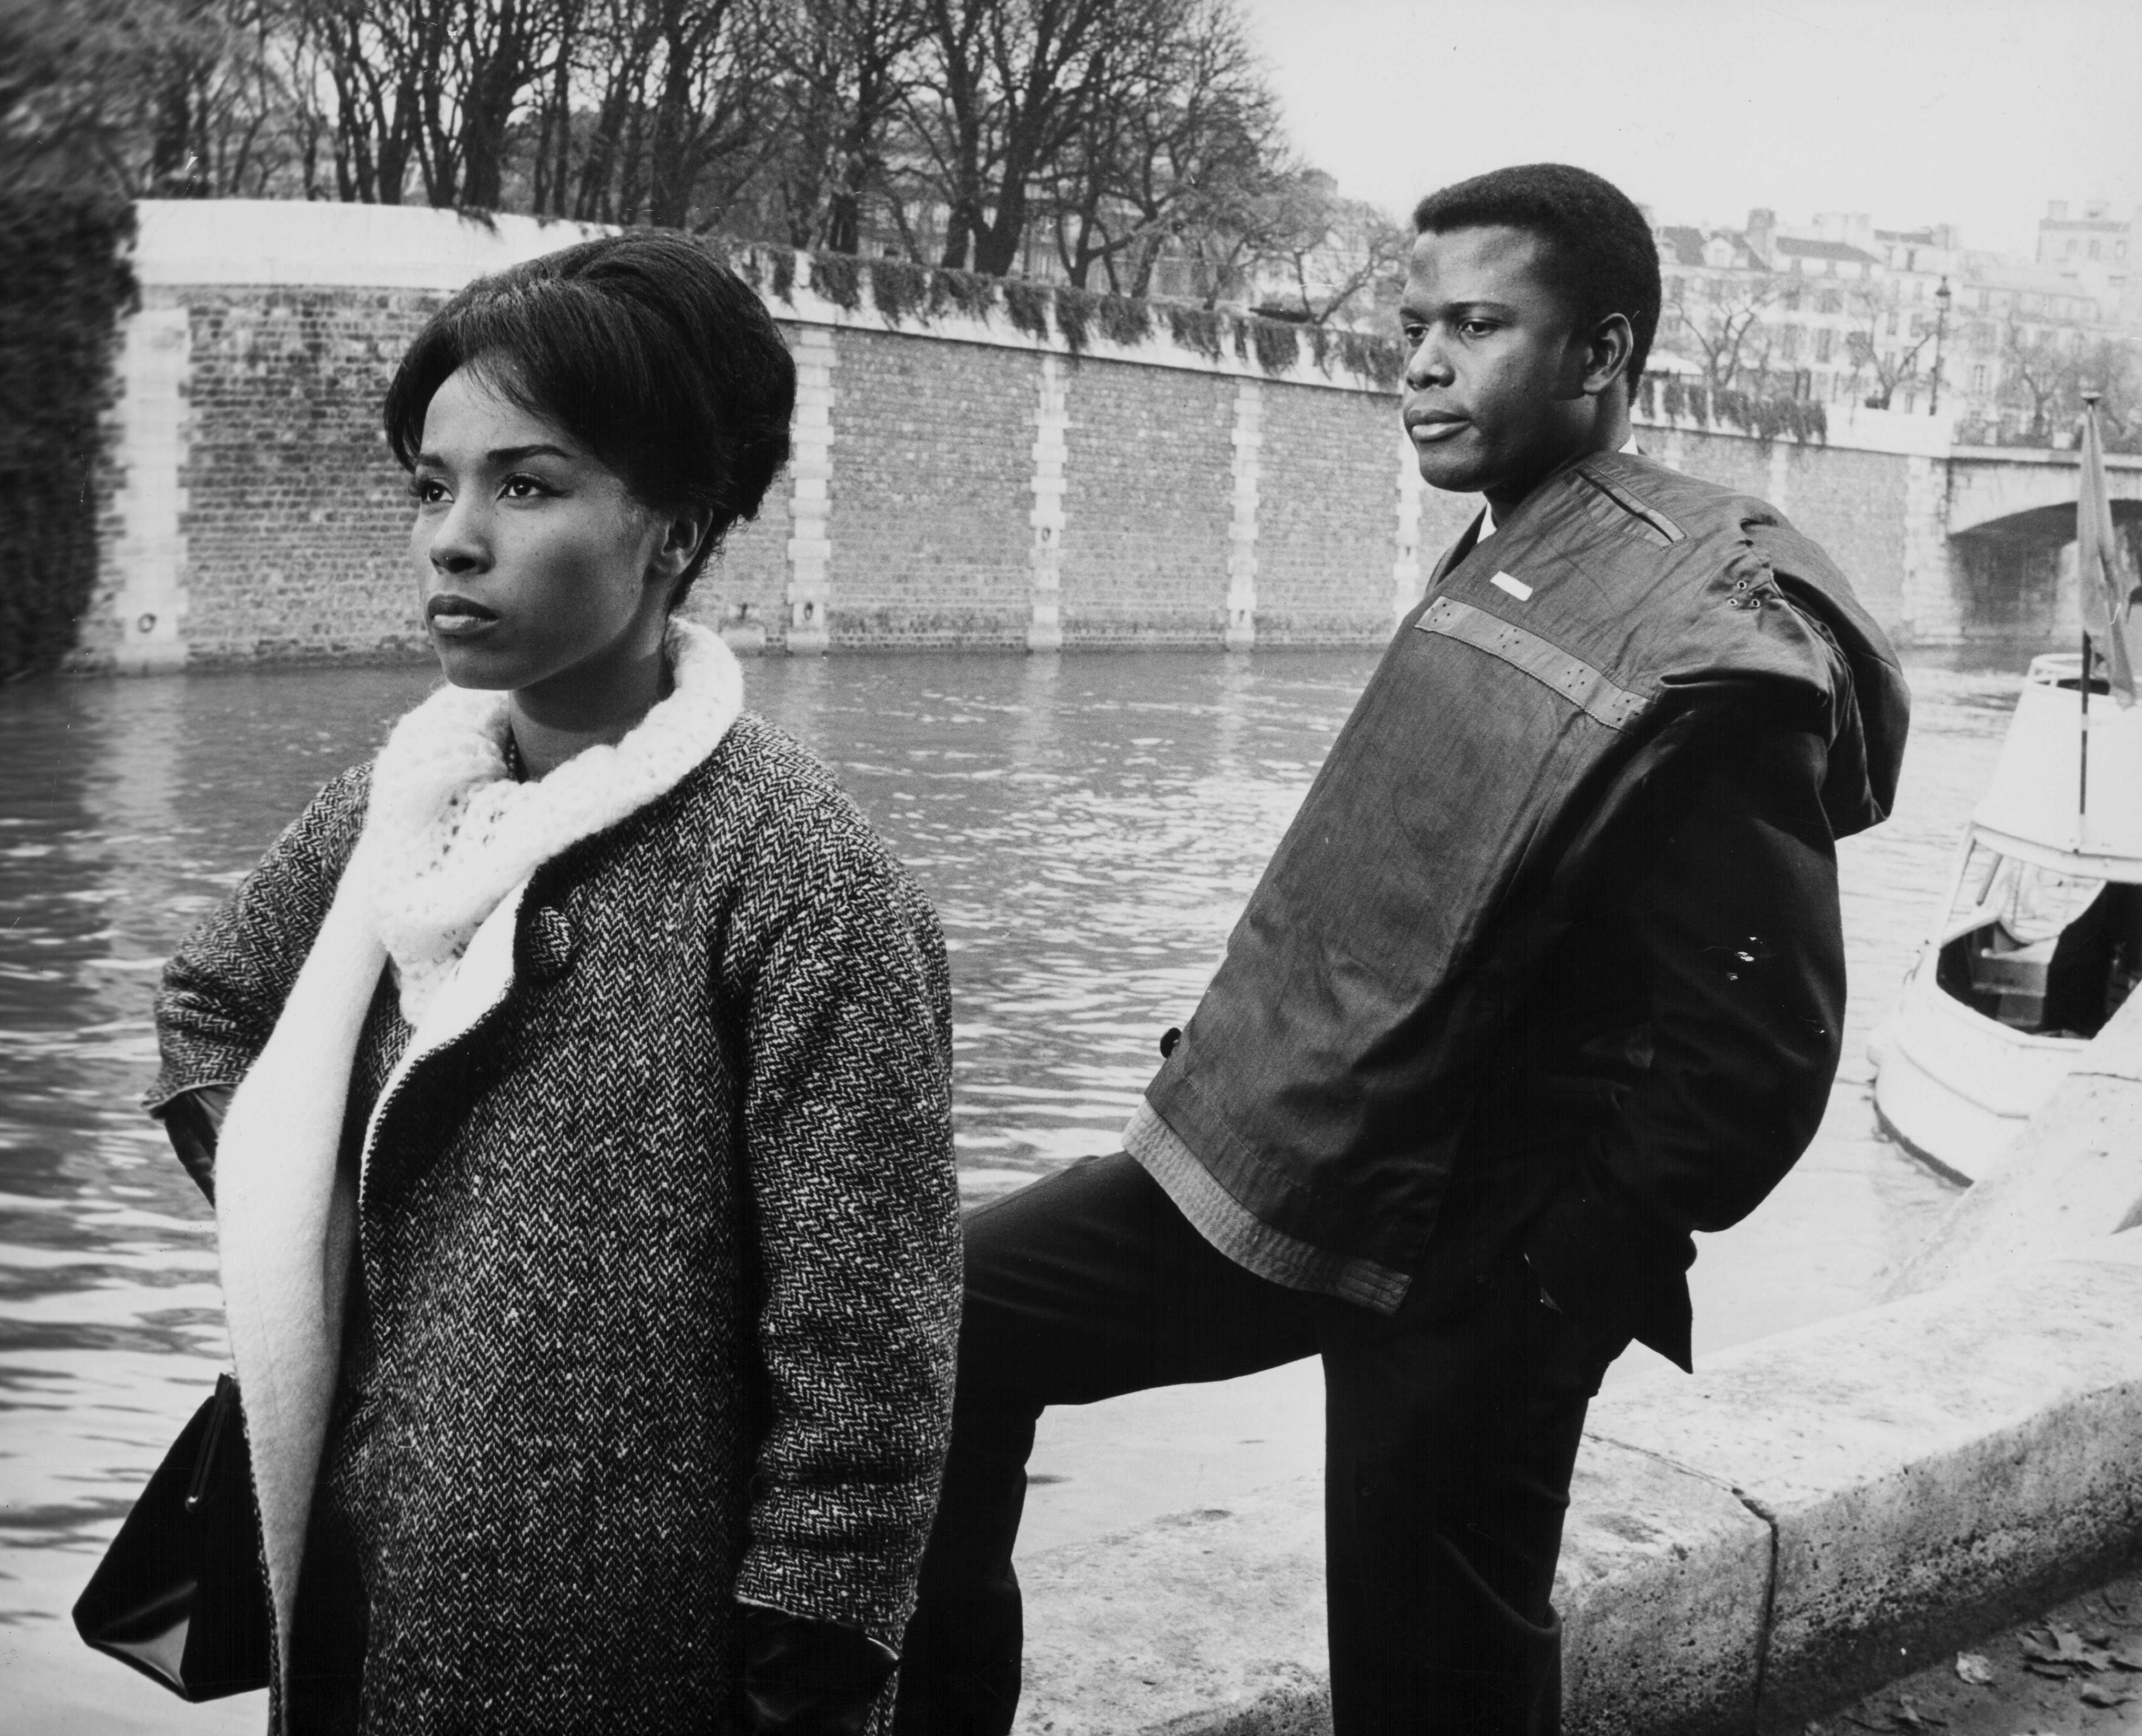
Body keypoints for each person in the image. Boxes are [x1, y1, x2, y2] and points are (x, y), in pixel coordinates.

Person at [893, 164, 1910, 1736]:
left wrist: (1542, 1289)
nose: (1421, 362)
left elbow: (1764, 1053)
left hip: (1478, 1248)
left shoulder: (1696, 635)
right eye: (1414, 323)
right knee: (947, 1322)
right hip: (1317, 1165)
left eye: (1478, 325)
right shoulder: (1529, 542)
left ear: (1600, 355)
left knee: (1429, 1671)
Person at [148, 231, 962, 1735]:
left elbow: (869, 1343)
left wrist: (810, 1666)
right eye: (431, 485)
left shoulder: (795, 876)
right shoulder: (398, 802)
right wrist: (318, 1209)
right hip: (357, 1560)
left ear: (675, 526)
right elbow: (212, 1004)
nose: (453, 539)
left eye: (526, 486)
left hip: (621, 1625)